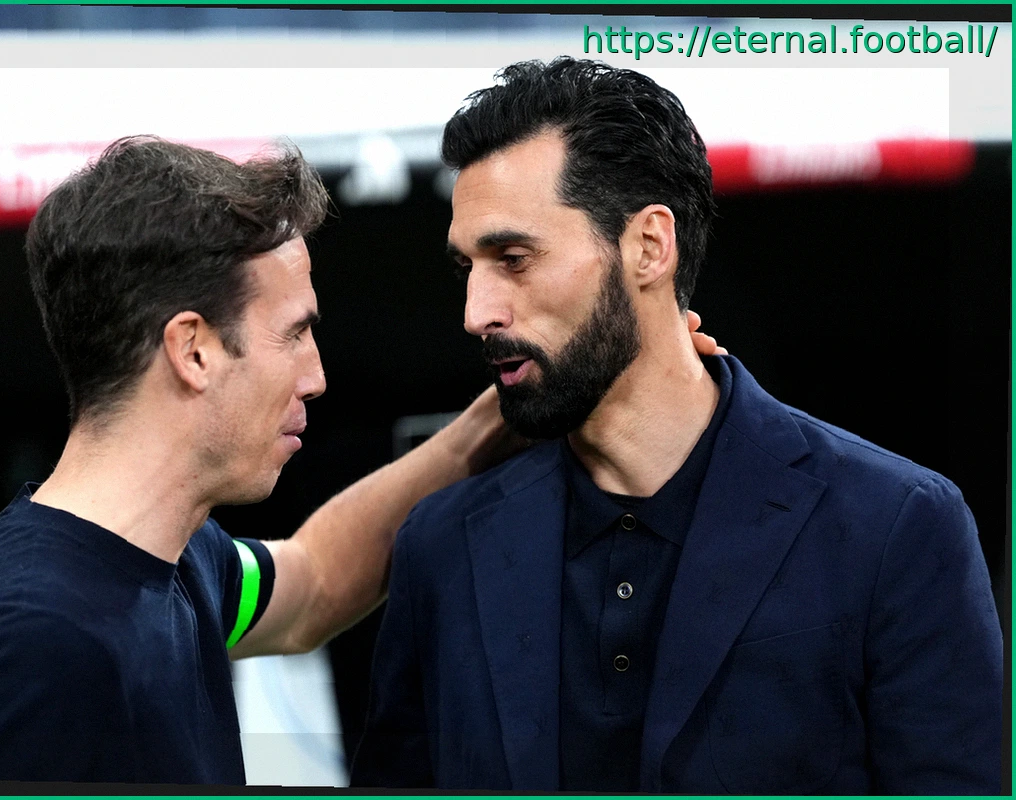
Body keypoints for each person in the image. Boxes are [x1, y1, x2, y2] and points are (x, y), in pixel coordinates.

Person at [0, 133, 730, 784]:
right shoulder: (43, 648)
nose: (317, 375)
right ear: (193, 349)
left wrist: (498, 424)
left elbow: (316, 582)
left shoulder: (173, 558)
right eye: (295, 333)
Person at [351, 58, 1003, 794]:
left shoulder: (895, 527)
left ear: (649, 247)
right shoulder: (442, 550)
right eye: (467, 267)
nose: (476, 313)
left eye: (513, 259)